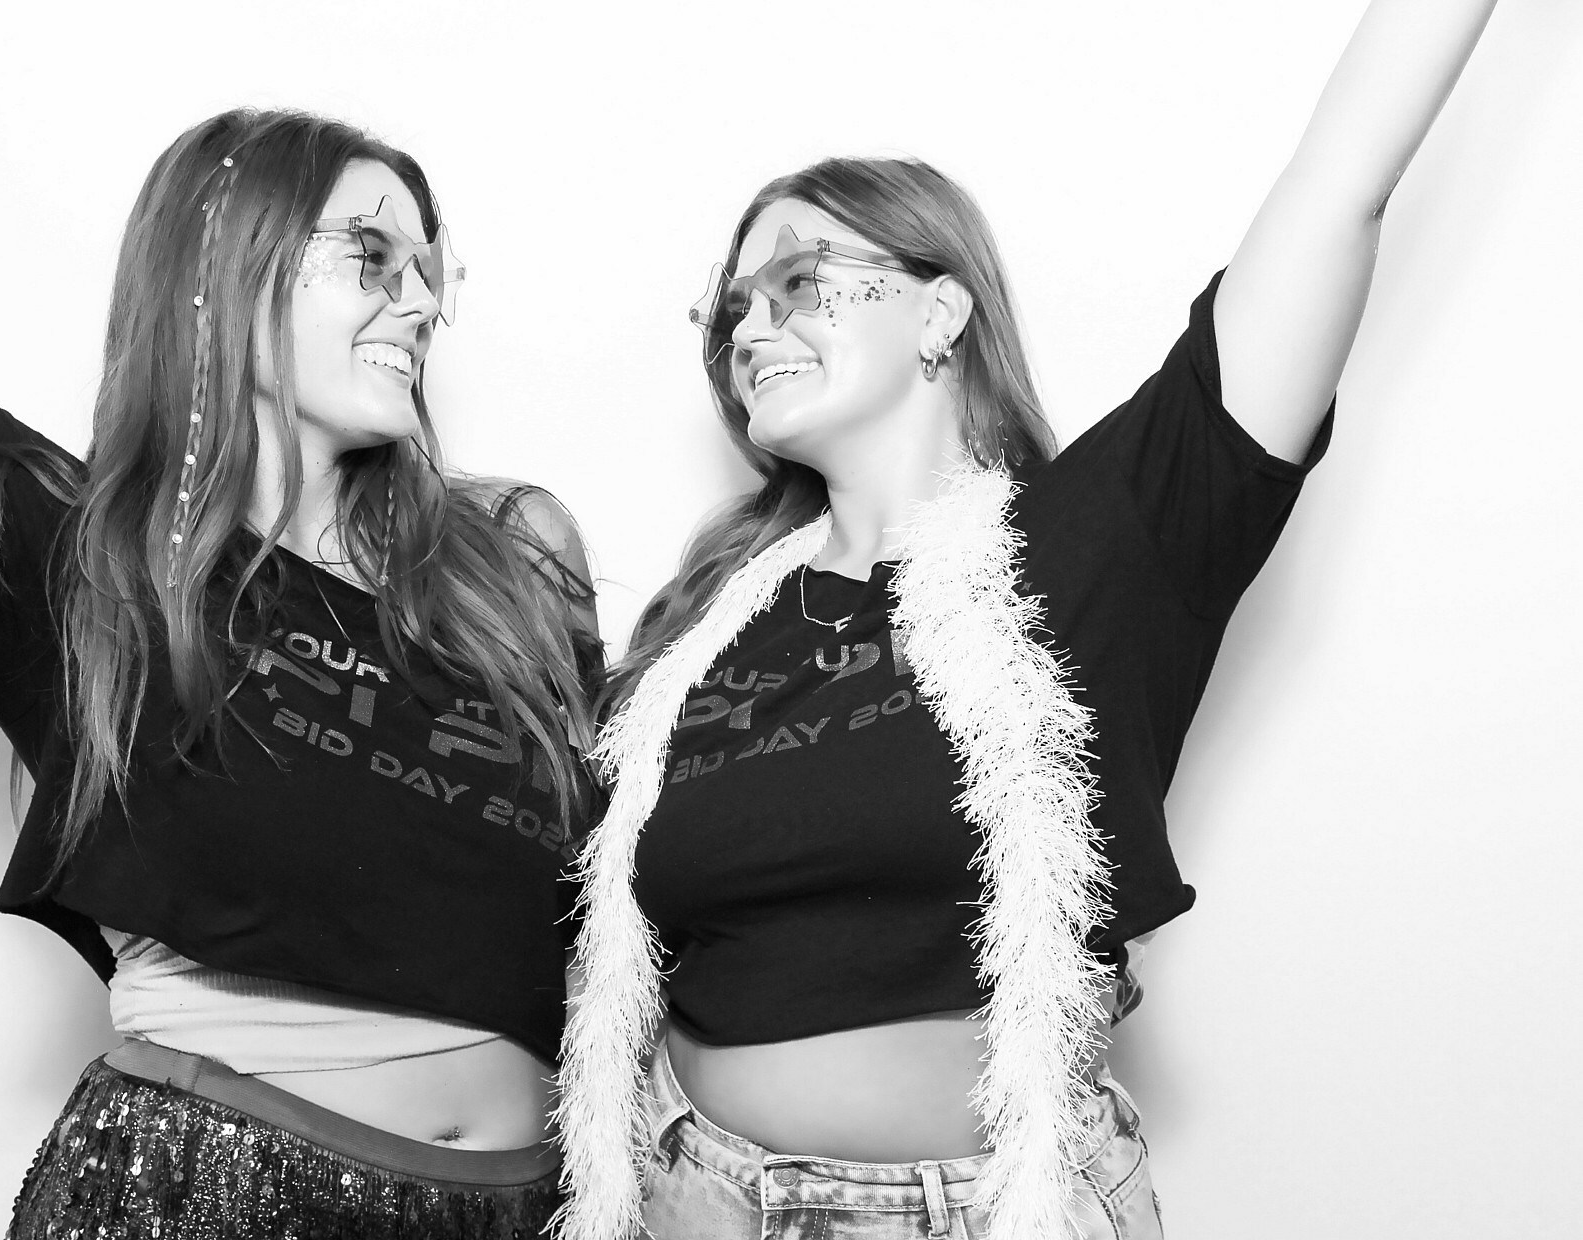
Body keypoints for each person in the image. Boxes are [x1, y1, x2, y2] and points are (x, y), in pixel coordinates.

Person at [555, 2, 1501, 1238]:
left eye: (796, 282)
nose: (750, 327)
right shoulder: (700, 635)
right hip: (690, 1200)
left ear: (940, 313)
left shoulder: (1099, 543)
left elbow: (1338, 188)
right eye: (729, 307)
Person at [0, 101, 599, 1239]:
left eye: (431, 271)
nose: (420, 302)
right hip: (206, 1192)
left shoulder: (511, 564)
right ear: (222, 267)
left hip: (525, 1209)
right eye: (371, 255)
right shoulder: (86, 570)